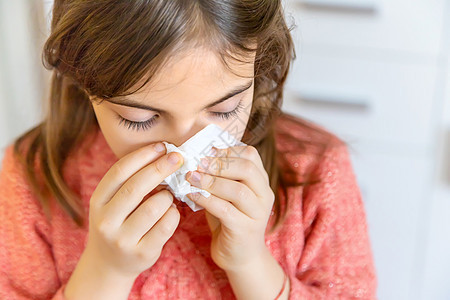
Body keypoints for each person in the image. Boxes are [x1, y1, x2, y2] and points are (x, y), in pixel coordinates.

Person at [0, 0, 377, 299]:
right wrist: (104, 272)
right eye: (139, 118)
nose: (182, 148)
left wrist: (250, 264)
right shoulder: (32, 178)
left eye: (224, 109)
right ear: (84, 82)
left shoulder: (316, 171)